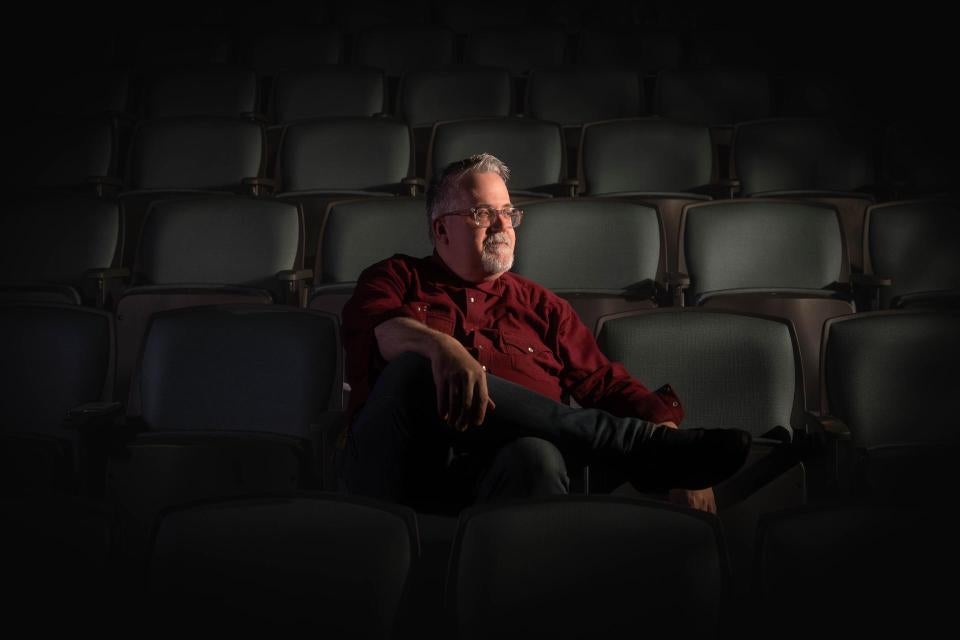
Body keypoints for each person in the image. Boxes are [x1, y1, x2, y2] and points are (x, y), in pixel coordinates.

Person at [336, 153, 750, 514]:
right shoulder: (395, 276)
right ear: (440, 230)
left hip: (500, 472)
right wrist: (440, 346)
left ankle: (645, 452)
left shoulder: (543, 307)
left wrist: (669, 436)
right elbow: (380, 332)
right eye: (483, 214)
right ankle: (632, 446)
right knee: (415, 367)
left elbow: (604, 382)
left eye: (509, 212)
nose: (503, 225)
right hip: (404, 464)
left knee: (537, 456)